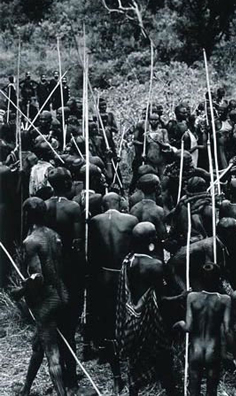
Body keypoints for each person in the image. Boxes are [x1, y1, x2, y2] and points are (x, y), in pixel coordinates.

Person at [14, 198, 69, 396]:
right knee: (40, 344)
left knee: (52, 353)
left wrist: (20, 291)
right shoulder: (55, 235)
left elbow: (38, 277)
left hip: (47, 300)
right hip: (61, 294)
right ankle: (26, 388)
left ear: (27, 216)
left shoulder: (31, 242)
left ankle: (61, 393)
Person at [86, 192, 139, 392]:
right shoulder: (131, 219)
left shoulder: (94, 221)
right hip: (124, 275)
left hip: (102, 276)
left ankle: (116, 375)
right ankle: (129, 373)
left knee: (107, 323)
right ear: (120, 204)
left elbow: (91, 253)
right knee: (130, 317)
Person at [115, 222, 175, 396]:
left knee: (136, 358)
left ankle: (134, 390)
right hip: (151, 319)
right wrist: (182, 296)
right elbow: (162, 298)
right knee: (163, 355)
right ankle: (170, 389)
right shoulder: (155, 265)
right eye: (154, 236)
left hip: (133, 317)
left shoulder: (129, 260)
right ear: (151, 241)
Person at [43, 167, 84, 391]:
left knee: (54, 321)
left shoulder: (44, 206)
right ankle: (70, 374)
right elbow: (78, 244)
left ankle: (62, 374)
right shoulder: (73, 207)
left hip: (49, 267)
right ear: (67, 183)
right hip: (69, 269)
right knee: (70, 322)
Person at [174, 263, 231, 396]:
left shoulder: (192, 297)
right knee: (211, 391)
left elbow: (188, 327)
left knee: (194, 390)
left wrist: (178, 324)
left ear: (201, 279)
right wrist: (228, 353)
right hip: (213, 350)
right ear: (219, 279)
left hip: (196, 350)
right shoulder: (225, 300)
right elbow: (227, 330)